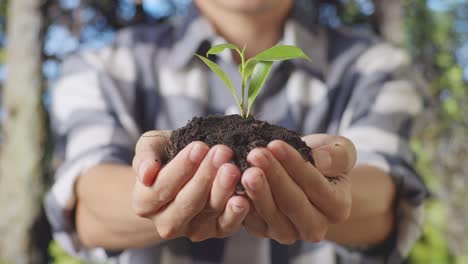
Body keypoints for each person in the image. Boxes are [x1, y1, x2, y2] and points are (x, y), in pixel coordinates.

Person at [45, 0, 428, 263]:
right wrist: (151, 188)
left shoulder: (374, 65)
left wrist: (328, 182)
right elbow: (87, 204)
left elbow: (385, 198)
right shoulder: (104, 66)